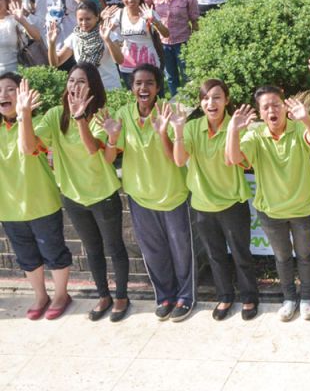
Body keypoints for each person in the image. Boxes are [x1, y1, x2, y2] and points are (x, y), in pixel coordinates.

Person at [19, 64, 131, 321]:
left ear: (92, 86)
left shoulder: (102, 115)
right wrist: (24, 114)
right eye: (71, 81)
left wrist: (80, 117)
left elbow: (93, 149)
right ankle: (104, 296)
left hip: (103, 196)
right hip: (73, 196)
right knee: (92, 249)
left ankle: (122, 296)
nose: (74, 86)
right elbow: (28, 148)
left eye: (81, 82)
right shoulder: (56, 115)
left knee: (114, 247)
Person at [102, 64, 197, 321]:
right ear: (132, 87)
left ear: (158, 87)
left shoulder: (170, 111)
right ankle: (164, 295)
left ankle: (185, 297)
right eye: (139, 83)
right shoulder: (123, 114)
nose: (144, 88)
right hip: (139, 196)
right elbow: (110, 157)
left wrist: (163, 132)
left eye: (150, 83)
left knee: (181, 251)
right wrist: (112, 137)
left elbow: (176, 159)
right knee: (154, 252)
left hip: (173, 193)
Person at [226, 85, 310, 321]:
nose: (272, 110)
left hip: (303, 209)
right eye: (266, 107)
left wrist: (306, 118)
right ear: (260, 113)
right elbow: (233, 158)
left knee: (305, 256)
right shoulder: (255, 136)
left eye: (276, 105)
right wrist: (233, 130)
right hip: (271, 212)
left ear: (284, 107)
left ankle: (308, 297)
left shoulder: (298, 128)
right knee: (282, 258)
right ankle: (289, 298)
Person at [172, 79, 259, 321]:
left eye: (217, 97)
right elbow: (179, 161)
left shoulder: (238, 125)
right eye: (206, 98)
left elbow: (236, 160)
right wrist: (178, 132)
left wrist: (233, 129)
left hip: (232, 203)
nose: (211, 103)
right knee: (215, 255)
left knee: (241, 253)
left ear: (227, 100)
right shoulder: (192, 128)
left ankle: (249, 296)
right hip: (202, 204)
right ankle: (224, 297)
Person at [3, 74, 74, 320]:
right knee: (26, 257)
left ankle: (61, 294)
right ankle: (40, 295)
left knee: (54, 252)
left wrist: (23, 116)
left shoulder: (39, 123)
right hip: (9, 207)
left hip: (42, 203)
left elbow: (28, 147)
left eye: (11, 89)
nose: (3, 94)